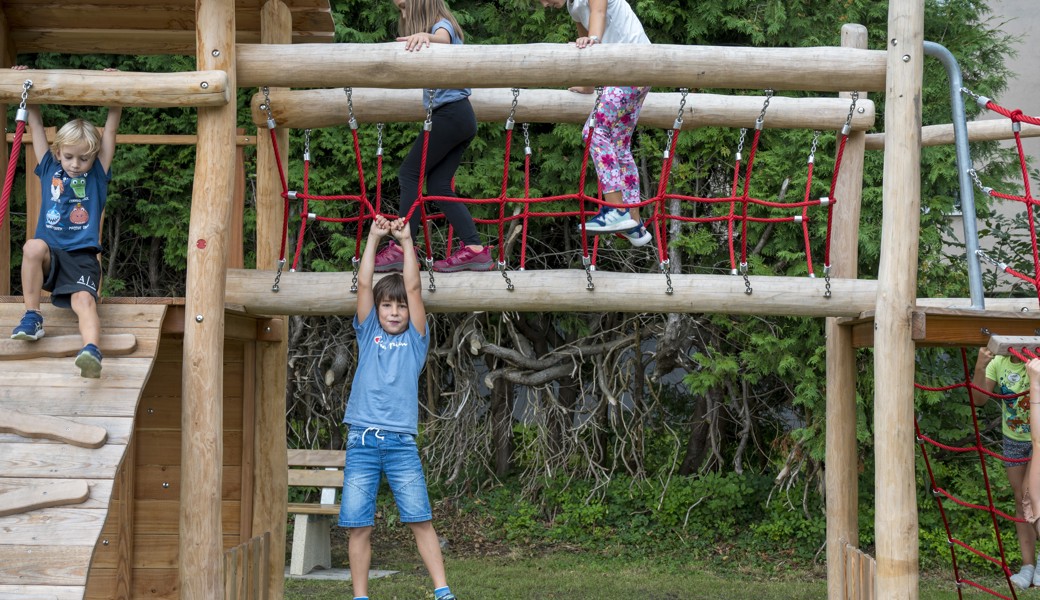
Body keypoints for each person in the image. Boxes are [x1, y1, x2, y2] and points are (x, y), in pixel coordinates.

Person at [339, 215, 457, 600]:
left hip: (401, 443)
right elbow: (363, 283)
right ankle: (360, 596)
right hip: (362, 440)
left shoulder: (417, 339)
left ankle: (442, 592)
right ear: (377, 310)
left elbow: (413, 286)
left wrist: (407, 241)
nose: (393, 312)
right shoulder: (368, 330)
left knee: (420, 519)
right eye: (387, 306)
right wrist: (373, 237)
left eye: (400, 307)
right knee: (359, 525)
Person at [10, 66, 121, 379]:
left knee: (84, 300)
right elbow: (35, 126)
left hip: (82, 257)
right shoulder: (49, 167)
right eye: (70, 157)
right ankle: (33, 316)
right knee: (32, 246)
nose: (76, 164)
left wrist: (116, 96)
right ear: (58, 153)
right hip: (51, 253)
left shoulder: (97, 175)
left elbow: (110, 133)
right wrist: (28, 92)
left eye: (84, 158)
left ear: (94, 156)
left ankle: (91, 351)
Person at [374, 0, 491, 274]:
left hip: (450, 114)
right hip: (459, 117)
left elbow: (442, 39)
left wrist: (425, 36)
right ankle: (475, 249)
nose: (402, 14)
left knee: (408, 174)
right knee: (438, 185)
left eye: (405, 8)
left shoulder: (442, 26)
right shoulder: (434, 27)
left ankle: (404, 248)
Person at [539, 0, 653, 247]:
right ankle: (634, 221)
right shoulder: (572, 6)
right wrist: (588, 85)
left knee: (594, 132)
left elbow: (598, 16)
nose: (545, 4)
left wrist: (593, 40)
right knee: (620, 146)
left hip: (631, 65)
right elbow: (588, 42)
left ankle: (616, 210)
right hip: (634, 71)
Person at [975, 347, 1038, 589]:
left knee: (1029, 494)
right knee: (1020, 502)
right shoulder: (999, 362)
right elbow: (979, 399)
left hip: (1038, 438)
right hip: (1013, 439)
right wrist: (981, 365)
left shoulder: (1036, 361)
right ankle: (1027, 565)